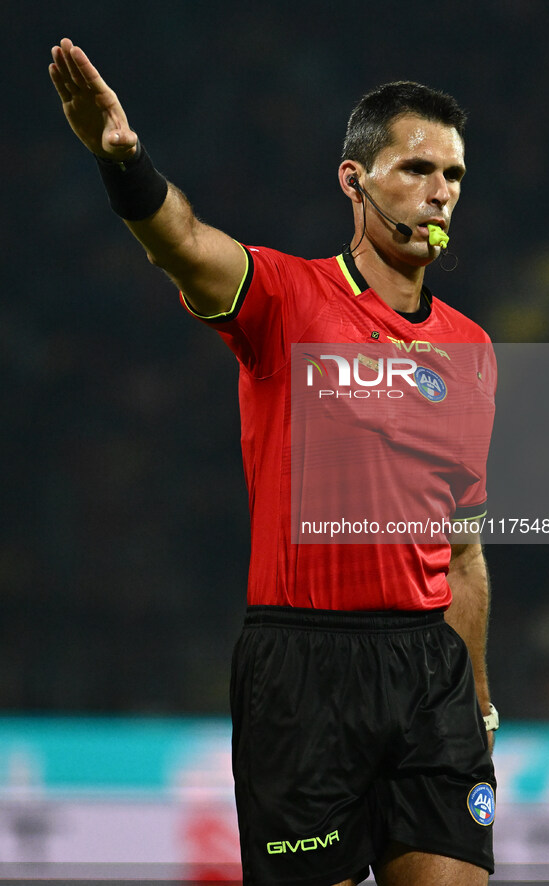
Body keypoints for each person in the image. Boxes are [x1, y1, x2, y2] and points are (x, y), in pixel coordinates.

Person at [49, 37, 498, 886]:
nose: (440, 190)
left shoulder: (470, 349)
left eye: (454, 174)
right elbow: (180, 242)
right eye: (416, 168)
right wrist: (124, 161)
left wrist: (477, 705)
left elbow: (465, 553)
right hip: (304, 669)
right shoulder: (287, 298)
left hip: (428, 675)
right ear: (353, 180)